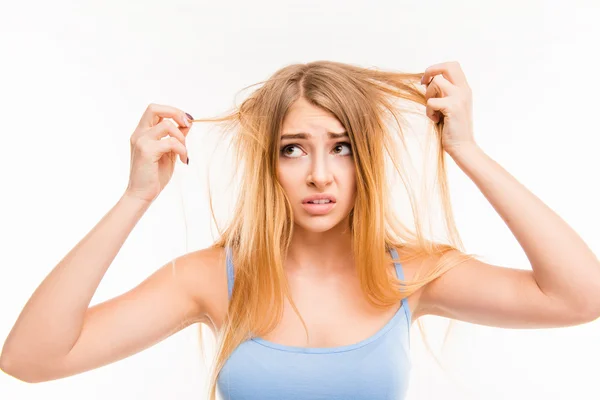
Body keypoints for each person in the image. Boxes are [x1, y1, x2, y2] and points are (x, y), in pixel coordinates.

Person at [1, 60, 599, 400]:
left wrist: (467, 149)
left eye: (340, 147)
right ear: (269, 165)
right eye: (294, 149)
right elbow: (29, 359)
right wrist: (136, 196)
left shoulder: (409, 275)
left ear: (364, 158)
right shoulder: (211, 278)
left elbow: (581, 296)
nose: (319, 174)